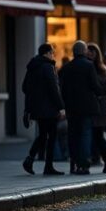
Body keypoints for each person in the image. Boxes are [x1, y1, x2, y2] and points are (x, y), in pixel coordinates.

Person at [21, 43, 66, 175]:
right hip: (49, 108)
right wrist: (61, 107)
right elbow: (53, 89)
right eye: (52, 52)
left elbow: (24, 87)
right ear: (46, 53)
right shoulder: (47, 67)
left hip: (37, 108)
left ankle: (30, 159)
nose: (53, 54)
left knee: (42, 135)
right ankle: (48, 166)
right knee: (51, 136)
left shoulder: (32, 67)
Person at [60, 41, 103, 175]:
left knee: (73, 135)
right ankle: (84, 164)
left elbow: (62, 89)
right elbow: (95, 86)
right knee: (85, 134)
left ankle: (73, 163)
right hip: (87, 107)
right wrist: (102, 92)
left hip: (72, 108)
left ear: (73, 52)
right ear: (84, 51)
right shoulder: (89, 66)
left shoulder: (67, 67)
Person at [87, 43, 106, 174]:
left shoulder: (101, 70)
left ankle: (105, 161)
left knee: (97, 135)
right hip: (92, 107)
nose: (90, 54)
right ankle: (96, 159)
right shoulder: (96, 68)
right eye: (89, 52)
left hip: (98, 108)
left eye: (93, 52)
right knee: (94, 135)